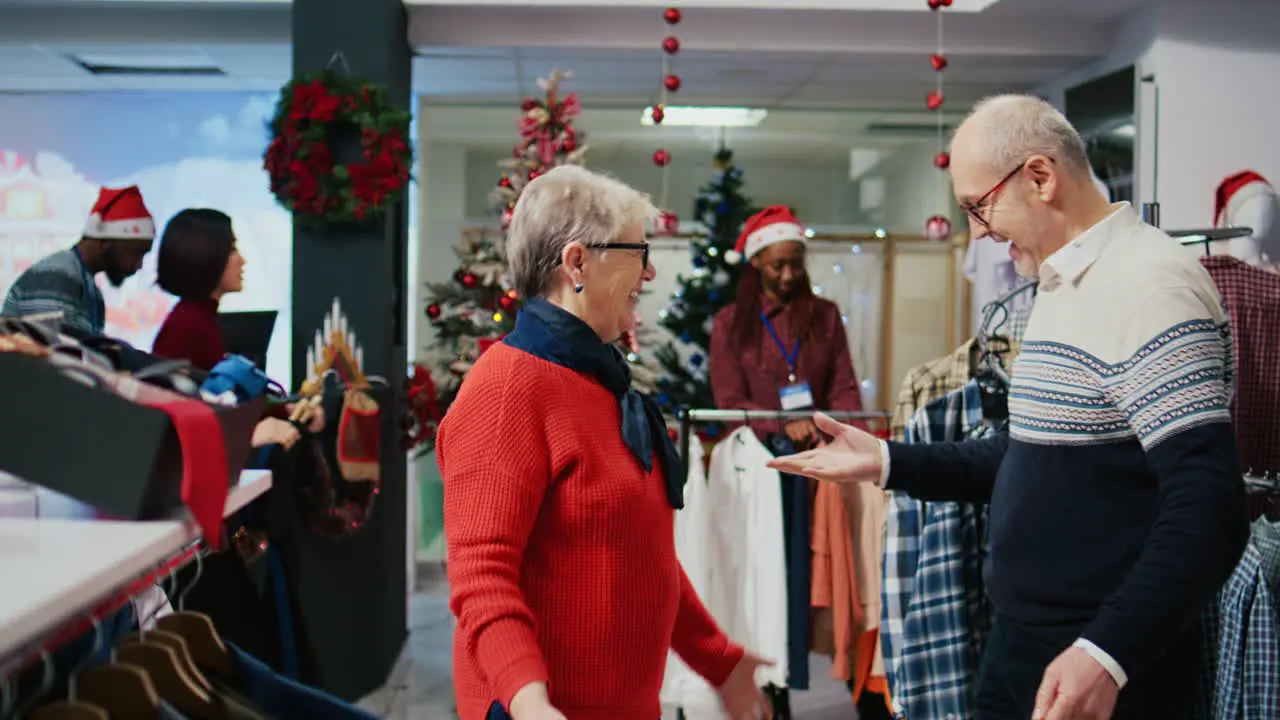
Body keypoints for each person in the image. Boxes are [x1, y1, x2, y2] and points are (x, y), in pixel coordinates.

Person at [768, 94, 1249, 720]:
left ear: (1041, 177)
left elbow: (1209, 507)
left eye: (978, 207)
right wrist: (887, 460)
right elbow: (1026, 454)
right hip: (1026, 644)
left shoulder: (1150, 287)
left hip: (1098, 660)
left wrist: (1108, 652)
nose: (979, 234)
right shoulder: (1061, 282)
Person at [435, 165, 772, 720]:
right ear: (577, 263)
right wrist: (529, 700)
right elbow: (480, 574)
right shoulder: (507, 389)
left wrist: (719, 661)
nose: (650, 269)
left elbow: (640, 554)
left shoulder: (601, 384)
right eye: (638, 251)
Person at [150, 208, 318, 448]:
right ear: (205, 255)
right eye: (232, 250)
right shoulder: (187, 327)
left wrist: (284, 410)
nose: (242, 259)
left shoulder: (197, 319)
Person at [709, 204, 866, 446]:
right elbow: (730, 402)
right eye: (777, 266)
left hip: (822, 449)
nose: (788, 275)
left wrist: (855, 439)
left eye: (796, 264)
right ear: (756, 261)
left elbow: (843, 389)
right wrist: (783, 425)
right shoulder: (729, 322)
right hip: (755, 455)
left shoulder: (826, 314)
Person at [2, 185, 155, 333]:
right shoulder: (59, 274)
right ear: (104, 243)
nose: (139, 264)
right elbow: (51, 351)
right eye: (137, 253)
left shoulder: (91, 290)